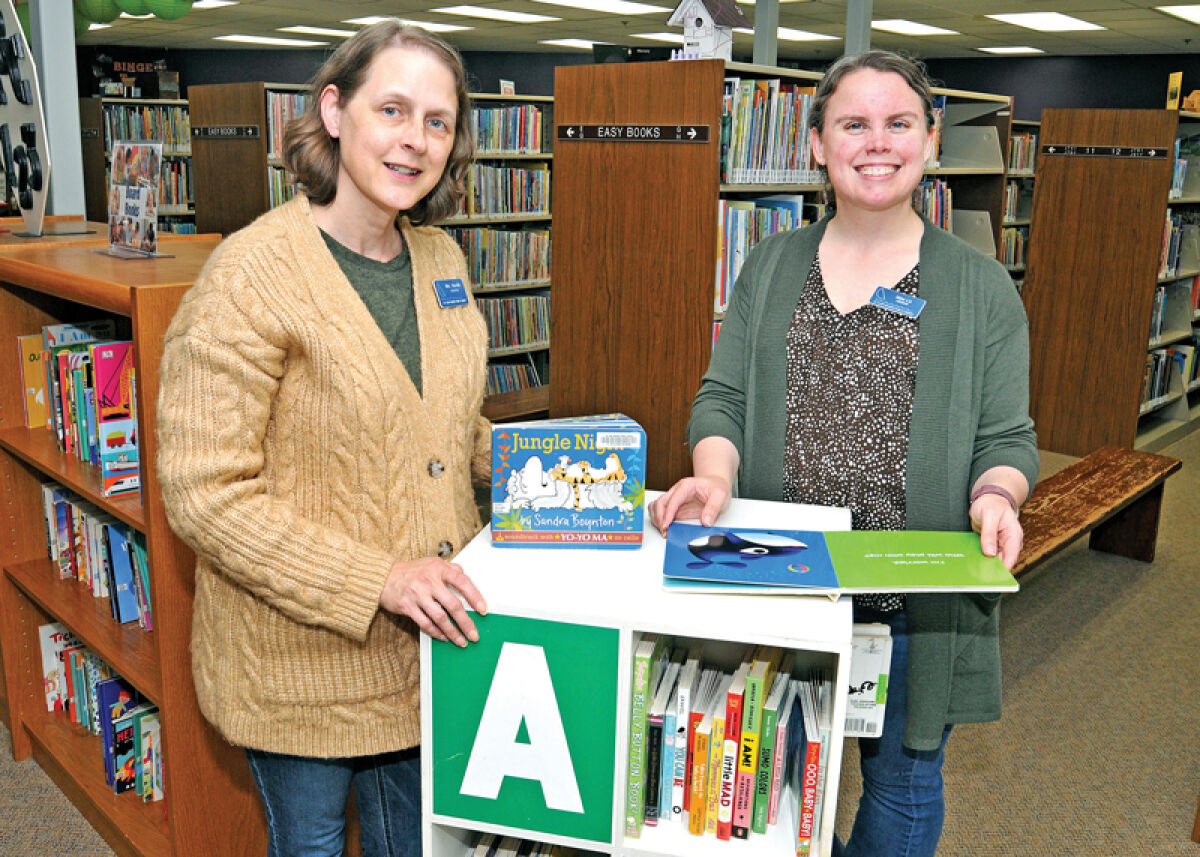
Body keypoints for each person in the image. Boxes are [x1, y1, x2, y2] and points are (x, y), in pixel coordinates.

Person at [650, 50, 1038, 857]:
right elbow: (721, 397)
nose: (877, 143)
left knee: (901, 788)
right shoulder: (771, 264)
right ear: (818, 142)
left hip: (910, 609)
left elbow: (1006, 440)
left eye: (899, 124)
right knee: (762, 785)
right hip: (778, 588)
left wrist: (996, 496)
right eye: (852, 124)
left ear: (929, 139)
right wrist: (713, 477)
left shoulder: (979, 286)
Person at [156, 21, 490, 857]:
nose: (415, 140)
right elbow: (205, 492)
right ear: (334, 112)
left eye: (438, 121)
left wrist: (592, 481)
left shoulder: (442, 257)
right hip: (298, 671)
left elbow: (446, 424)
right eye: (393, 109)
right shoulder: (250, 273)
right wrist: (378, 577)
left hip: (426, 653)